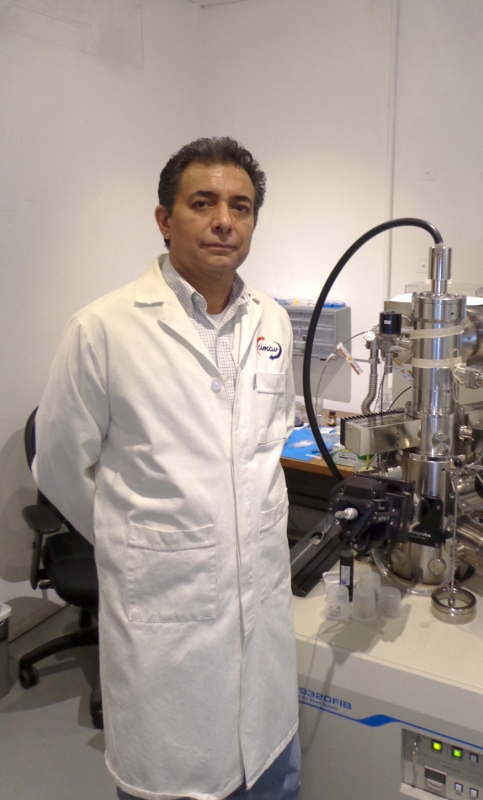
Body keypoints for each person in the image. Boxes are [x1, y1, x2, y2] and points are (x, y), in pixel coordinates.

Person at [33, 138, 300, 800]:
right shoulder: (102, 328)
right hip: (166, 630)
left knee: (271, 773)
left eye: (240, 207)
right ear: (164, 218)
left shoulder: (272, 321)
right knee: (177, 773)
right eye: (203, 203)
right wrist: (140, 542)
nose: (224, 221)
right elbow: (60, 465)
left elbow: (271, 437)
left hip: (262, 629)